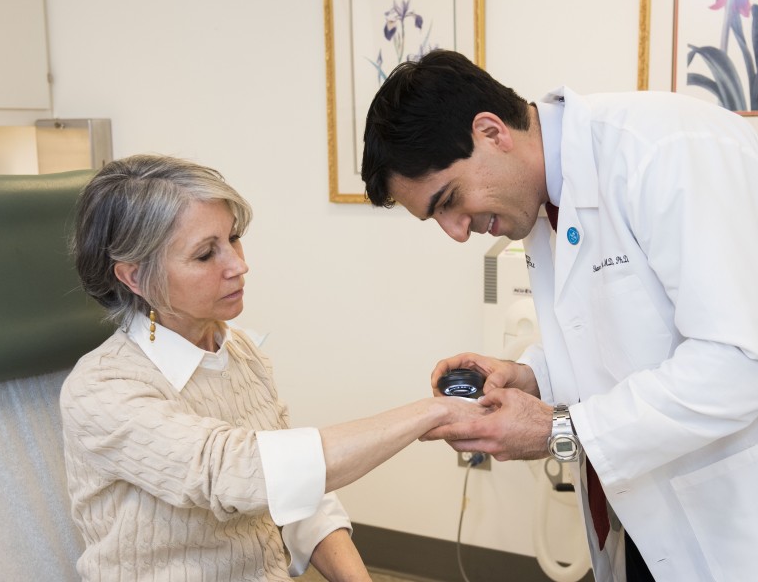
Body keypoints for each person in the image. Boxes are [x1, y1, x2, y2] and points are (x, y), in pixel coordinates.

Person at [360, 49, 758, 581]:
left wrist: (559, 432)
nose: (457, 232)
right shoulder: (543, 202)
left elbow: (743, 361)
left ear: (490, 133)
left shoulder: (668, 150)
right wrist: (531, 376)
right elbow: (622, 336)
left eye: (448, 200)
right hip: (653, 517)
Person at [60, 154, 486, 582]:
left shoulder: (240, 351)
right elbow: (239, 472)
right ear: (134, 277)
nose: (238, 265)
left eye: (234, 238)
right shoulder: (101, 389)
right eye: (206, 254)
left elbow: (301, 497)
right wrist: (433, 412)